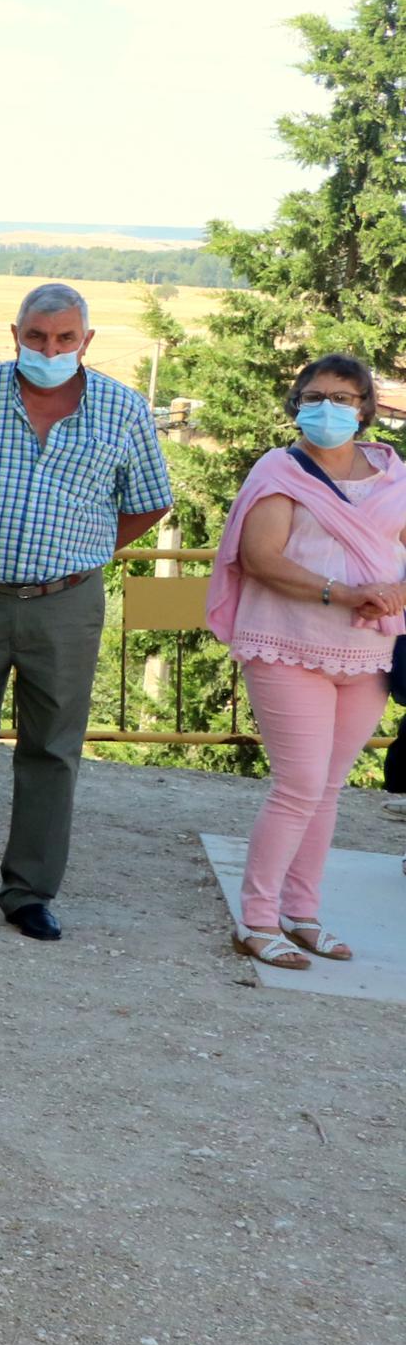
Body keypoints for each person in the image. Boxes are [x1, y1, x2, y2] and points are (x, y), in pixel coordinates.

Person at [0, 282, 173, 940]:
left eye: (64, 339)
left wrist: (84, 551)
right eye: (37, 337)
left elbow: (150, 500)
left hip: (66, 605)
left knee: (52, 750)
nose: (50, 350)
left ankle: (28, 894)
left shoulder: (123, 410)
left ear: (86, 341)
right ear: (15, 334)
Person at [204, 355, 406, 968]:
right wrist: (343, 593)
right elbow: (262, 557)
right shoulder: (278, 471)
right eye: (315, 396)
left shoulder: (394, 472)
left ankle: (303, 913)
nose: (329, 407)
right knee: (298, 786)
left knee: (328, 788)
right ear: (296, 405)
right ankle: (257, 919)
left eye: (344, 397)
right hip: (287, 645)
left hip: (369, 650)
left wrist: (395, 592)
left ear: (367, 407)